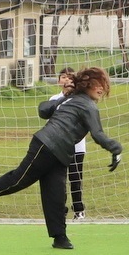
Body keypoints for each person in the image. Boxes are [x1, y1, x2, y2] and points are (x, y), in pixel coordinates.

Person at [0, 67, 122, 249]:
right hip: (46, 146)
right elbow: (46, 111)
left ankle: (60, 237)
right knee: (18, 180)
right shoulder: (84, 103)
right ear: (87, 85)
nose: (102, 88)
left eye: (104, 85)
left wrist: (67, 98)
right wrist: (116, 149)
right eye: (98, 84)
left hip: (61, 154)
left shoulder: (81, 101)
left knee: (56, 195)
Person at [48, 67, 87, 221]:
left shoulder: (81, 100)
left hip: (77, 147)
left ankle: (79, 210)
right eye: (63, 77)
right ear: (59, 81)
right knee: (59, 180)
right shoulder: (54, 100)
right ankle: (61, 210)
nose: (66, 80)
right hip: (59, 147)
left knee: (75, 179)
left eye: (70, 78)